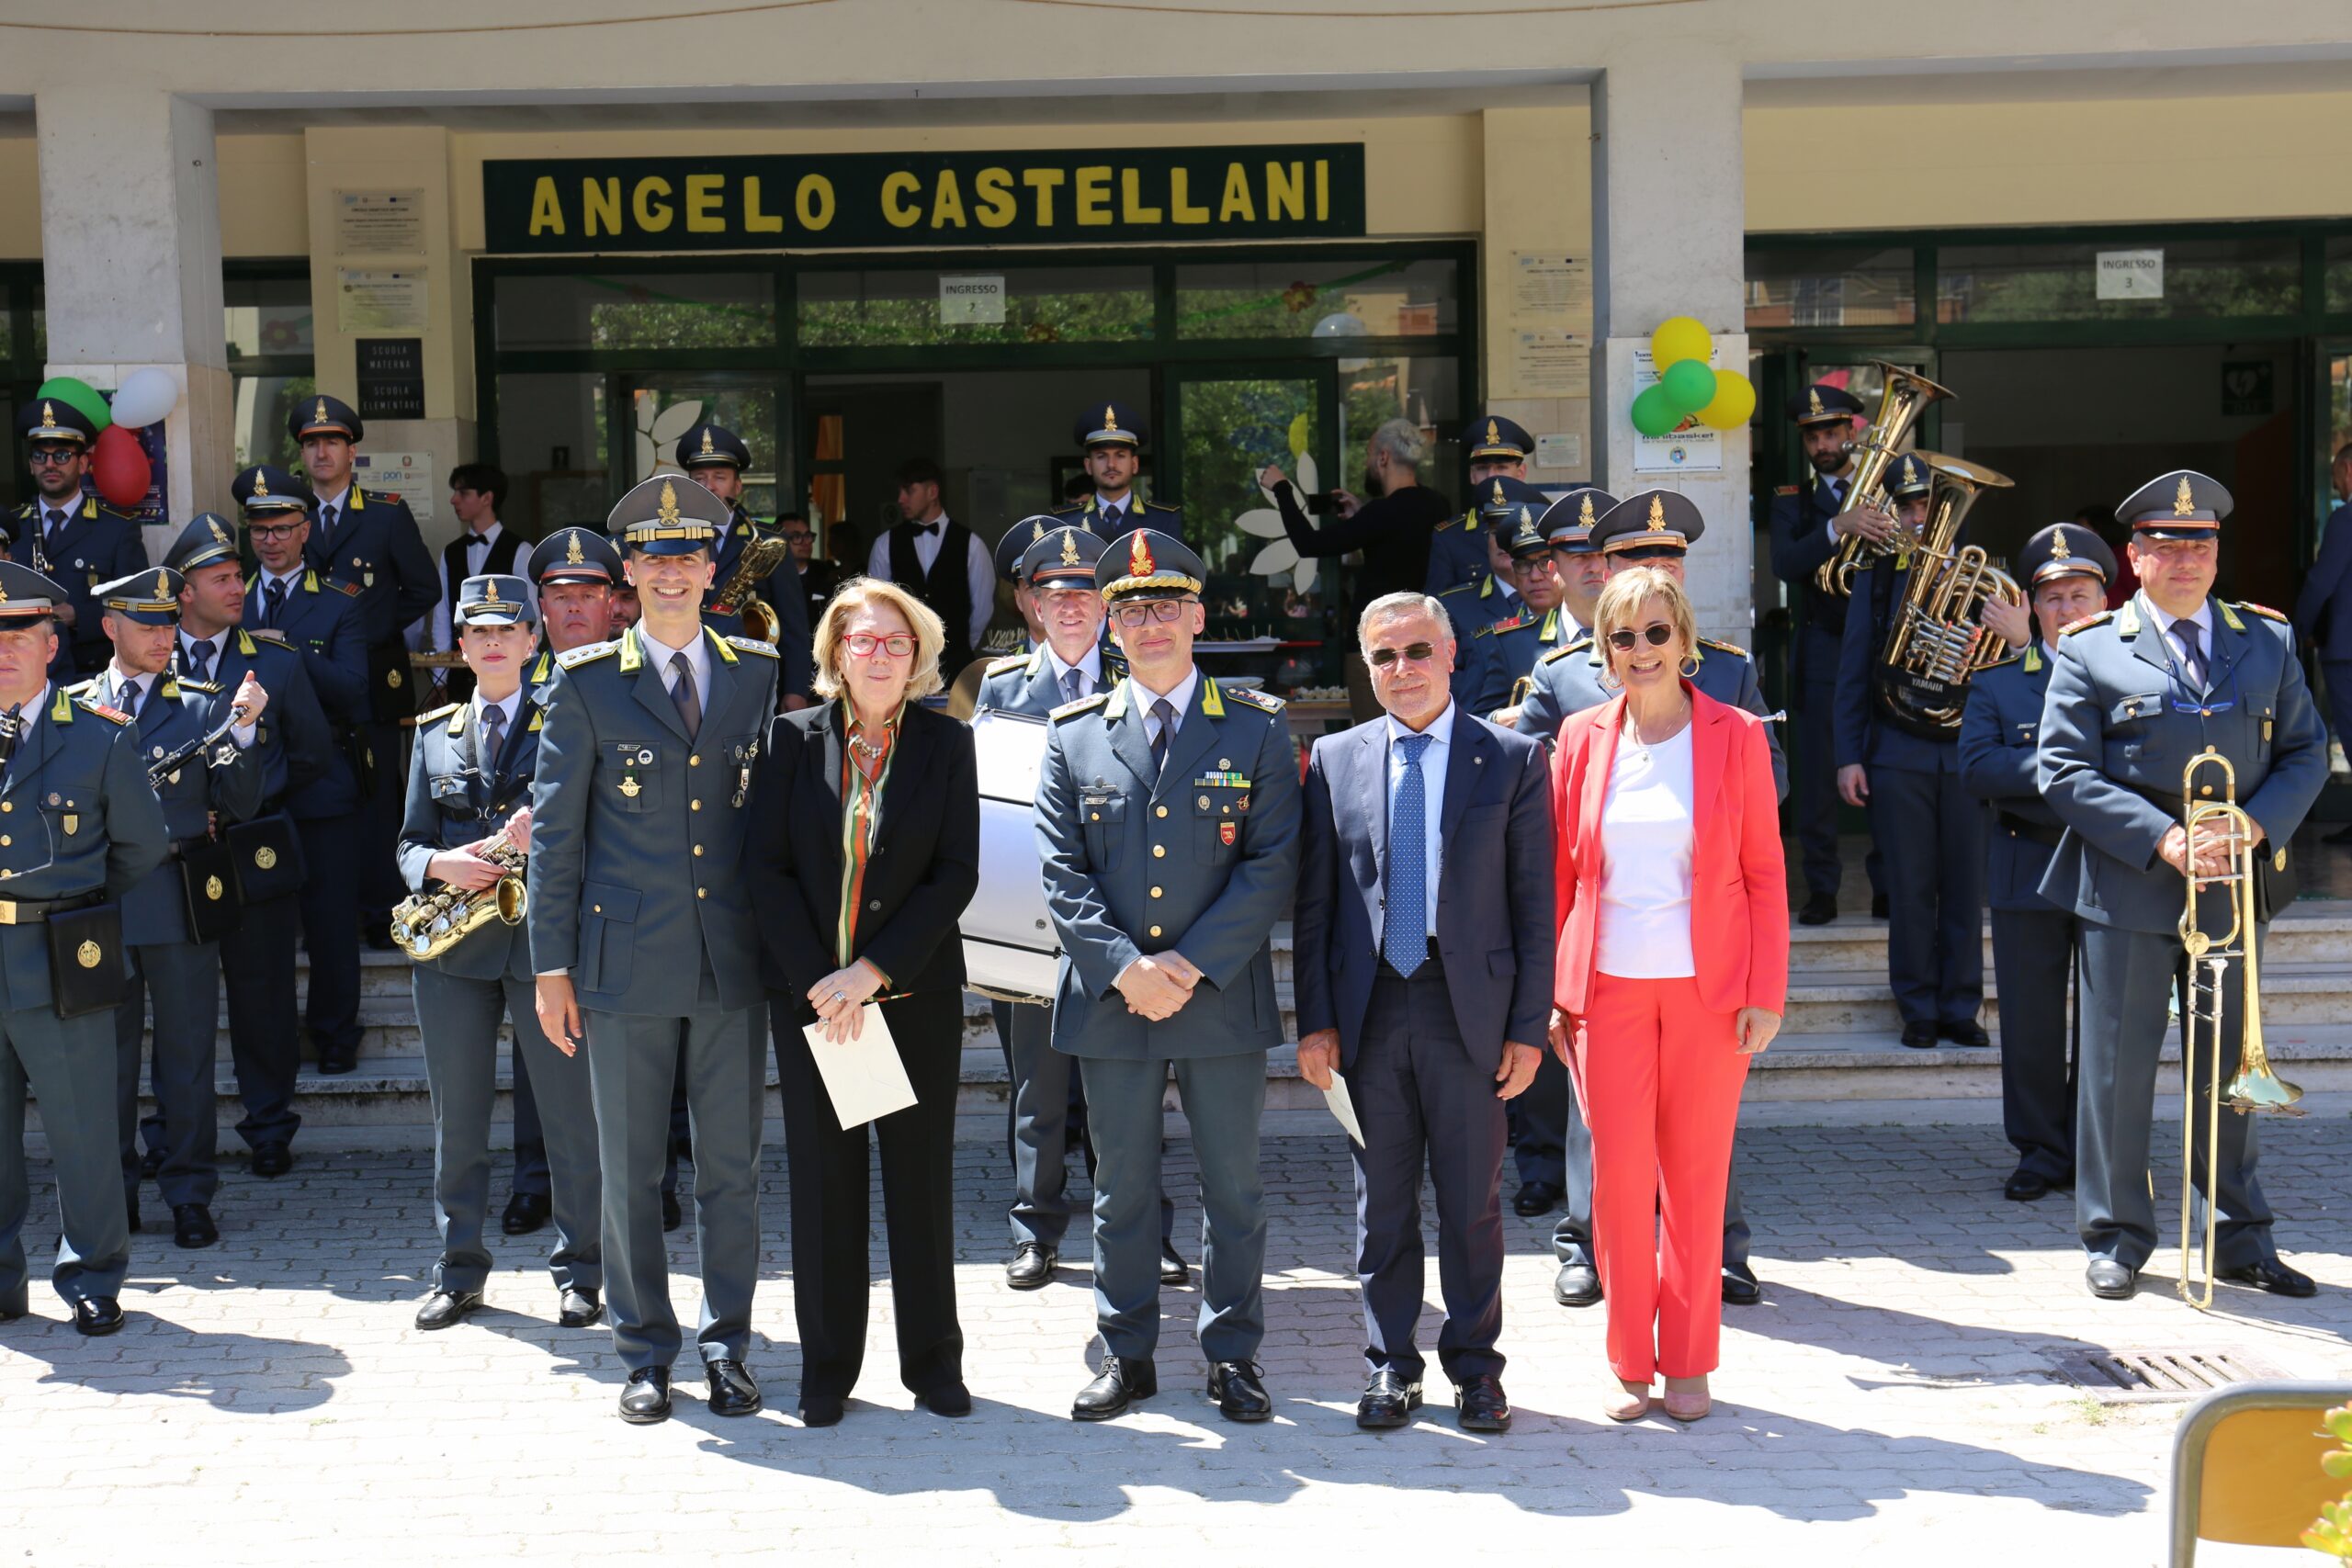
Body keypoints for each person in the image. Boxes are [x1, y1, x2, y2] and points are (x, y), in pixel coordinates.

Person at [2039, 469, 2328, 1303]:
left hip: (2233, 888)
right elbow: (2060, 769)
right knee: (2118, 1072)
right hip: (2132, 887)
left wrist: (2255, 823)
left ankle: (2240, 1236)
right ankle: (2118, 1236)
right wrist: (2161, 835)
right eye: (2165, 544)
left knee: (2232, 1067)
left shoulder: (2265, 640)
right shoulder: (2091, 646)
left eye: (2199, 543)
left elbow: (2307, 751)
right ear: (2134, 556)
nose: (2185, 558)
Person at [529, 474, 779, 1424]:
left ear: (710, 568)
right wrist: (551, 967)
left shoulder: (755, 672)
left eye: (687, 556)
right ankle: (644, 1349)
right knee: (630, 1167)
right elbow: (557, 838)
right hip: (622, 962)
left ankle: (727, 1345)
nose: (670, 574)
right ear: (627, 575)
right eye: (652, 559)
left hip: (729, 959)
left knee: (730, 1170)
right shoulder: (587, 681)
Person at [1036, 528, 1300, 1423]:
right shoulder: (1073, 737)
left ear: (1197, 615)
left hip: (1217, 996)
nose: (1149, 623)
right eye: (1130, 610)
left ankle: (1232, 1354)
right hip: (1114, 1005)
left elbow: (1271, 865)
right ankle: (1127, 1354)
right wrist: (1126, 971)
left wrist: (1184, 966)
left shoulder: (1257, 727)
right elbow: (1061, 874)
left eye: (1164, 606)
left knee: (1234, 1188)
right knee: (1120, 1191)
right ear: (1110, 628)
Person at [1515, 489, 1781, 1312]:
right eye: (1634, 559)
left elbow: (1763, 808)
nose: (1649, 573)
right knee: (1599, 1121)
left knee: (1703, 1132)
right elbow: (1531, 796)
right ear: (1603, 569)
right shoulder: (1562, 676)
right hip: (1608, 941)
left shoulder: (1730, 671)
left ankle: (1718, 1252)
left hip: (1702, 941)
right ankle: (1586, 1242)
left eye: (1667, 560)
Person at [1294, 591, 1552, 1434]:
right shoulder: (1333, 759)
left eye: (1415, 652)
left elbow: (1533, 903)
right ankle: (1390, 1366)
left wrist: (1527, 1027)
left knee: (1472, 1203)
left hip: (1466, 1008)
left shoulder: (1509, 759)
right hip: (1369, 1010)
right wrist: (1316, 1019)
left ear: (1450, 655)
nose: (1400, 670)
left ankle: (1476, 1370)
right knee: (1385, 1201)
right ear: (1366, 668)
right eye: (1382, 656)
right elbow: (1318, 903)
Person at [1549, 567, 1787, 1424]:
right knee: (1617, 1183)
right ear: (1603, 651)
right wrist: (1556, 988)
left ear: (1685, 640)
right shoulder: (1578, 737)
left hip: (1708, 991)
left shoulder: (1737, 735)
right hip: (1604, 991)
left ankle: (1688, 1361)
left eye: (1656, 633)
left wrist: (1766, 989)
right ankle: (1628, 1361)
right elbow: (1561, 873)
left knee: (1694, 1179)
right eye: (1623, 637)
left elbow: (1764, 871)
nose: (1641, 650)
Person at [748, 579, 979, 1426]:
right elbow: (764, 870)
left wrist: (871, 971)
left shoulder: (948, 745)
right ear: (835, 654)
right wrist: (822, 979)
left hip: (909, 995)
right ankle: (827, 1371)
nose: (878, 655)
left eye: (896, 642)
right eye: (862, 640)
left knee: (918, 1181)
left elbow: (956, 871)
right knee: (825, 1186)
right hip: (814, 1002)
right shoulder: (789, 739)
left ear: (917, 657)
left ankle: (933, 1364)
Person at [400, 573, 604, 1334]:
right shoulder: (433, 734)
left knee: (568, 1119)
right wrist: (438, 865)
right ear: (462, 646)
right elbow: (405, 845)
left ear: (531, 640)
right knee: (458, 1122)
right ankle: (458, 1272)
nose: (491, 644)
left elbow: (600, 832)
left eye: (506, 631)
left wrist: (544, 838)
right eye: (477, 633)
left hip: (542, 948)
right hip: (455, 955)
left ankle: (582, 1271)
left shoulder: (566, 721)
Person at [0, 559, 169, 1336]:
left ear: (48, 643)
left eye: (19, 633)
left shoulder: (95, 739)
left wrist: (72, 902)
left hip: (59, 953)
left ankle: (94, 1274)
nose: (4, 648)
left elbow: (139, 849)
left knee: (84, 1130)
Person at [89, 570, 267, 1249]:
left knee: (187, 1057)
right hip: (98, 909)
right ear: (111, 628)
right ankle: (113, 1195)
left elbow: (243, 802)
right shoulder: (77, 705)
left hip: (176, 900)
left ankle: (191, 1191)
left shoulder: (201, 706)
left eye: (169, 623)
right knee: (102, 1062)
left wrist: (247, 733)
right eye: (148, 624)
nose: (165, 637)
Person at [501, 525, 671, 1239]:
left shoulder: (644, 681)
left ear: (616, 604)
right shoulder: (518, 681)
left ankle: (647, 1181)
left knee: (640, 1056)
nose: (574, 608)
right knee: (544, 1050)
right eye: (559, 595)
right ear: (540, 607)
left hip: (628, 901)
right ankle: (536, 1178)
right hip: (541, 901)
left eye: (588, 594)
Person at [160, 513, 336, 1178]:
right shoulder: (151, 655)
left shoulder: (276, 663)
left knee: (263, 996)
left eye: (239, 576)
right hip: (173, 859)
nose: (239, 588)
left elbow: (313, 754)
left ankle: (268, 1125)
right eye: (222, 577)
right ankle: (169, 1130)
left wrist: (249, 798)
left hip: (252, 849)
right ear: (184, 590)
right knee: (177, 1000)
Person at [1959, 523, 2117, 1203]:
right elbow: (1978, 768)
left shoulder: (2133, 672)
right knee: (2030, 1021)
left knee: (2110, 1019)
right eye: (2052, 598)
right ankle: (2040, 1150)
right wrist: (2065, 771)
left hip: (2114, 866)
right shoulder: (1999, 684)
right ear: (2033, 605)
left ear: (2104, 601)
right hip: (2029, 864)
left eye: (2079, 595)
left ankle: (2103, 1150)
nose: (2066, 609)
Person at [1833, 452, 1988, 1051]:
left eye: (1930, 505)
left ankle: (1961, 1007)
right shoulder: (1877, 577)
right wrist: (1849, 754)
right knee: (1910, 885)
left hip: (1967, 753)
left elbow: (2002, 669)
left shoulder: (1983, 578)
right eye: (1909, 506)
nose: (1920, 516)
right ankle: (1918, 1007)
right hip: (1897, 751)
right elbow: (1851, 673)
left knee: (1964, 887)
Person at [238, 463, 373, 1074]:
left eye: (283, 528)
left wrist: (285, 652)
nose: (270, 540)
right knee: (261, 932)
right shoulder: (227, 597)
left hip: (324, 781)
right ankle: (273, 1049)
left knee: (329, 922)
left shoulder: (340, 600)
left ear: (305, 530)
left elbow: (353, 690)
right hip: (252, 780)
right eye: (259, 529)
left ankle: (335, 1034)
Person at [291, 394, 438, 952]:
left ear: (352, 451)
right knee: (311, 789)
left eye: (331, 441)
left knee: (377, 794)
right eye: (311, 443)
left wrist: (370, 627)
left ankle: (382, 908)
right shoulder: (289, 515)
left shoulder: (383, 512)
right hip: (306, 675)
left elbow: (425, 587)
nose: (322, 451)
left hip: (374, 673)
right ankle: (320, 910)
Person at [1769, 383, 1885, 927]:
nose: (1822, 443)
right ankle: (1822, 887)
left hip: (1883, 647)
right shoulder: (1792, 497)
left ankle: (1886, 884)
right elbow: (1786, 563)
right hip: (1824, 646)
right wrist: (1839, 526)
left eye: (1831, 432)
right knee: (1816, 775)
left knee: (1883, 762)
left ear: (1851, 433)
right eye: (1813, 436)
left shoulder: (1883, 489)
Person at [1260, 417, 1453, 675]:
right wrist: (1362, 517)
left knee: (1372, 716)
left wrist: (1282, 488)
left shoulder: (1382, 512)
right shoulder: (1438, 504)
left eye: (1368, 453)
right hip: (1424, 642)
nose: (1366, 462)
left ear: (1383, 457)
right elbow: (1399, 541)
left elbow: (1309, 544)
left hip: (1380, 643)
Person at [674, 422, 815, 707]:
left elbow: (794, 625)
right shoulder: (669, 542)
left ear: (737, 486)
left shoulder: (767, 542)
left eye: (719, 477)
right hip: (682, 682)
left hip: (753, 685)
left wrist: (796, 691)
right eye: (699, 479)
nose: (709, 486)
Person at [10, 399, 147, 679]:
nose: (49, 464)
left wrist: (78, 616)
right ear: (30, 465)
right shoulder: (11, 528)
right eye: (40, 456)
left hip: (91, 678)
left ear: (83, 463)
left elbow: (138, 610)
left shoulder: (118, 529)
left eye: (61, 455)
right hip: (22, 676)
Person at [865, 457, 993, 682]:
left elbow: (982, 609)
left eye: (909, 491)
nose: (900, 499)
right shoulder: (885, 544)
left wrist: (958, 646)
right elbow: (877, 609)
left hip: (957, 665)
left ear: (932, 492)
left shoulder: (971, 544)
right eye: (900, 491)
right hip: (902, 666)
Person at [2290, 441, 2352, 843]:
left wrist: (2292, 633)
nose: (2335, 484)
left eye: (2334, 476)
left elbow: (2320, 582)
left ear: (2347, 471)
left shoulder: (2346, 519)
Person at [1476, 497, 1577, 722]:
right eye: (1523, 564)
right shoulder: (1502, 640)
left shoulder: (1595, 626)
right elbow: (1475, 718)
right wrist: (1509, 716)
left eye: (1544, 562)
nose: (1534, 576)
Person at [432, 464, 524, 706]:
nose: (453, 500)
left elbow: (530, 617)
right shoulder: (451, 552)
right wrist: (440, 676)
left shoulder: (520, 550)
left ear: (487, 498)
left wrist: (525, 668)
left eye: (463, 493)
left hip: (508, 676)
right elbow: (443, 613)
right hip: (458, 672)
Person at [1424, 414, 1535, 599]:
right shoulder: (1450, 538)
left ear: (1521, 472)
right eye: (1483, 468)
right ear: (1472, 475)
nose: (1492, 476)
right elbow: (1437, 609)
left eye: (1501, 468)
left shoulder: (1542, 528)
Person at [1050, 401, 1184, 543]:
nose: (1111, 464)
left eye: (1120, 455)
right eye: (1101, 456)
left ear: (1134, 464)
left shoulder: (1163, 520)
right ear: (1088, 465)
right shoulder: (1064, 522)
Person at [780, 512, 848, 639]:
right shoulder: (767, 577)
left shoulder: (828, 573)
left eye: (808, 535)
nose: (805, 542)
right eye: (796, 537)